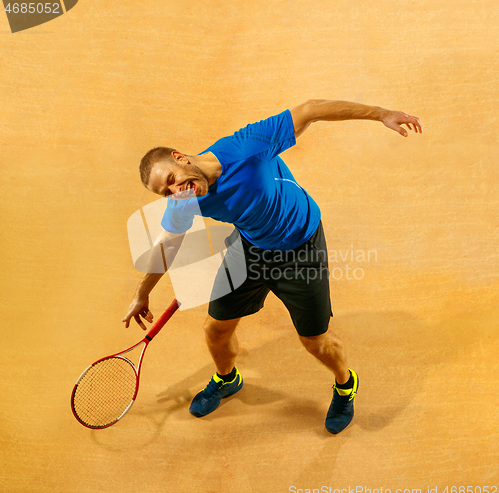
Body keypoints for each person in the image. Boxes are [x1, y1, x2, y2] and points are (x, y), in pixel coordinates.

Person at [122, 99, 422, 434]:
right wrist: (141, 295)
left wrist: (381, 114)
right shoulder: (184, 200)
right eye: (167, 192)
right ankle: (227, 379)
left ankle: (345, 384)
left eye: (173, 179)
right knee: (216, 330)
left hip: (300, 247)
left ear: (180, 157)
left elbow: (310, 110)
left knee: (316, 342)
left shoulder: (246, 148)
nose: (177, 192)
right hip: (251, 249)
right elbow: (166, 246)